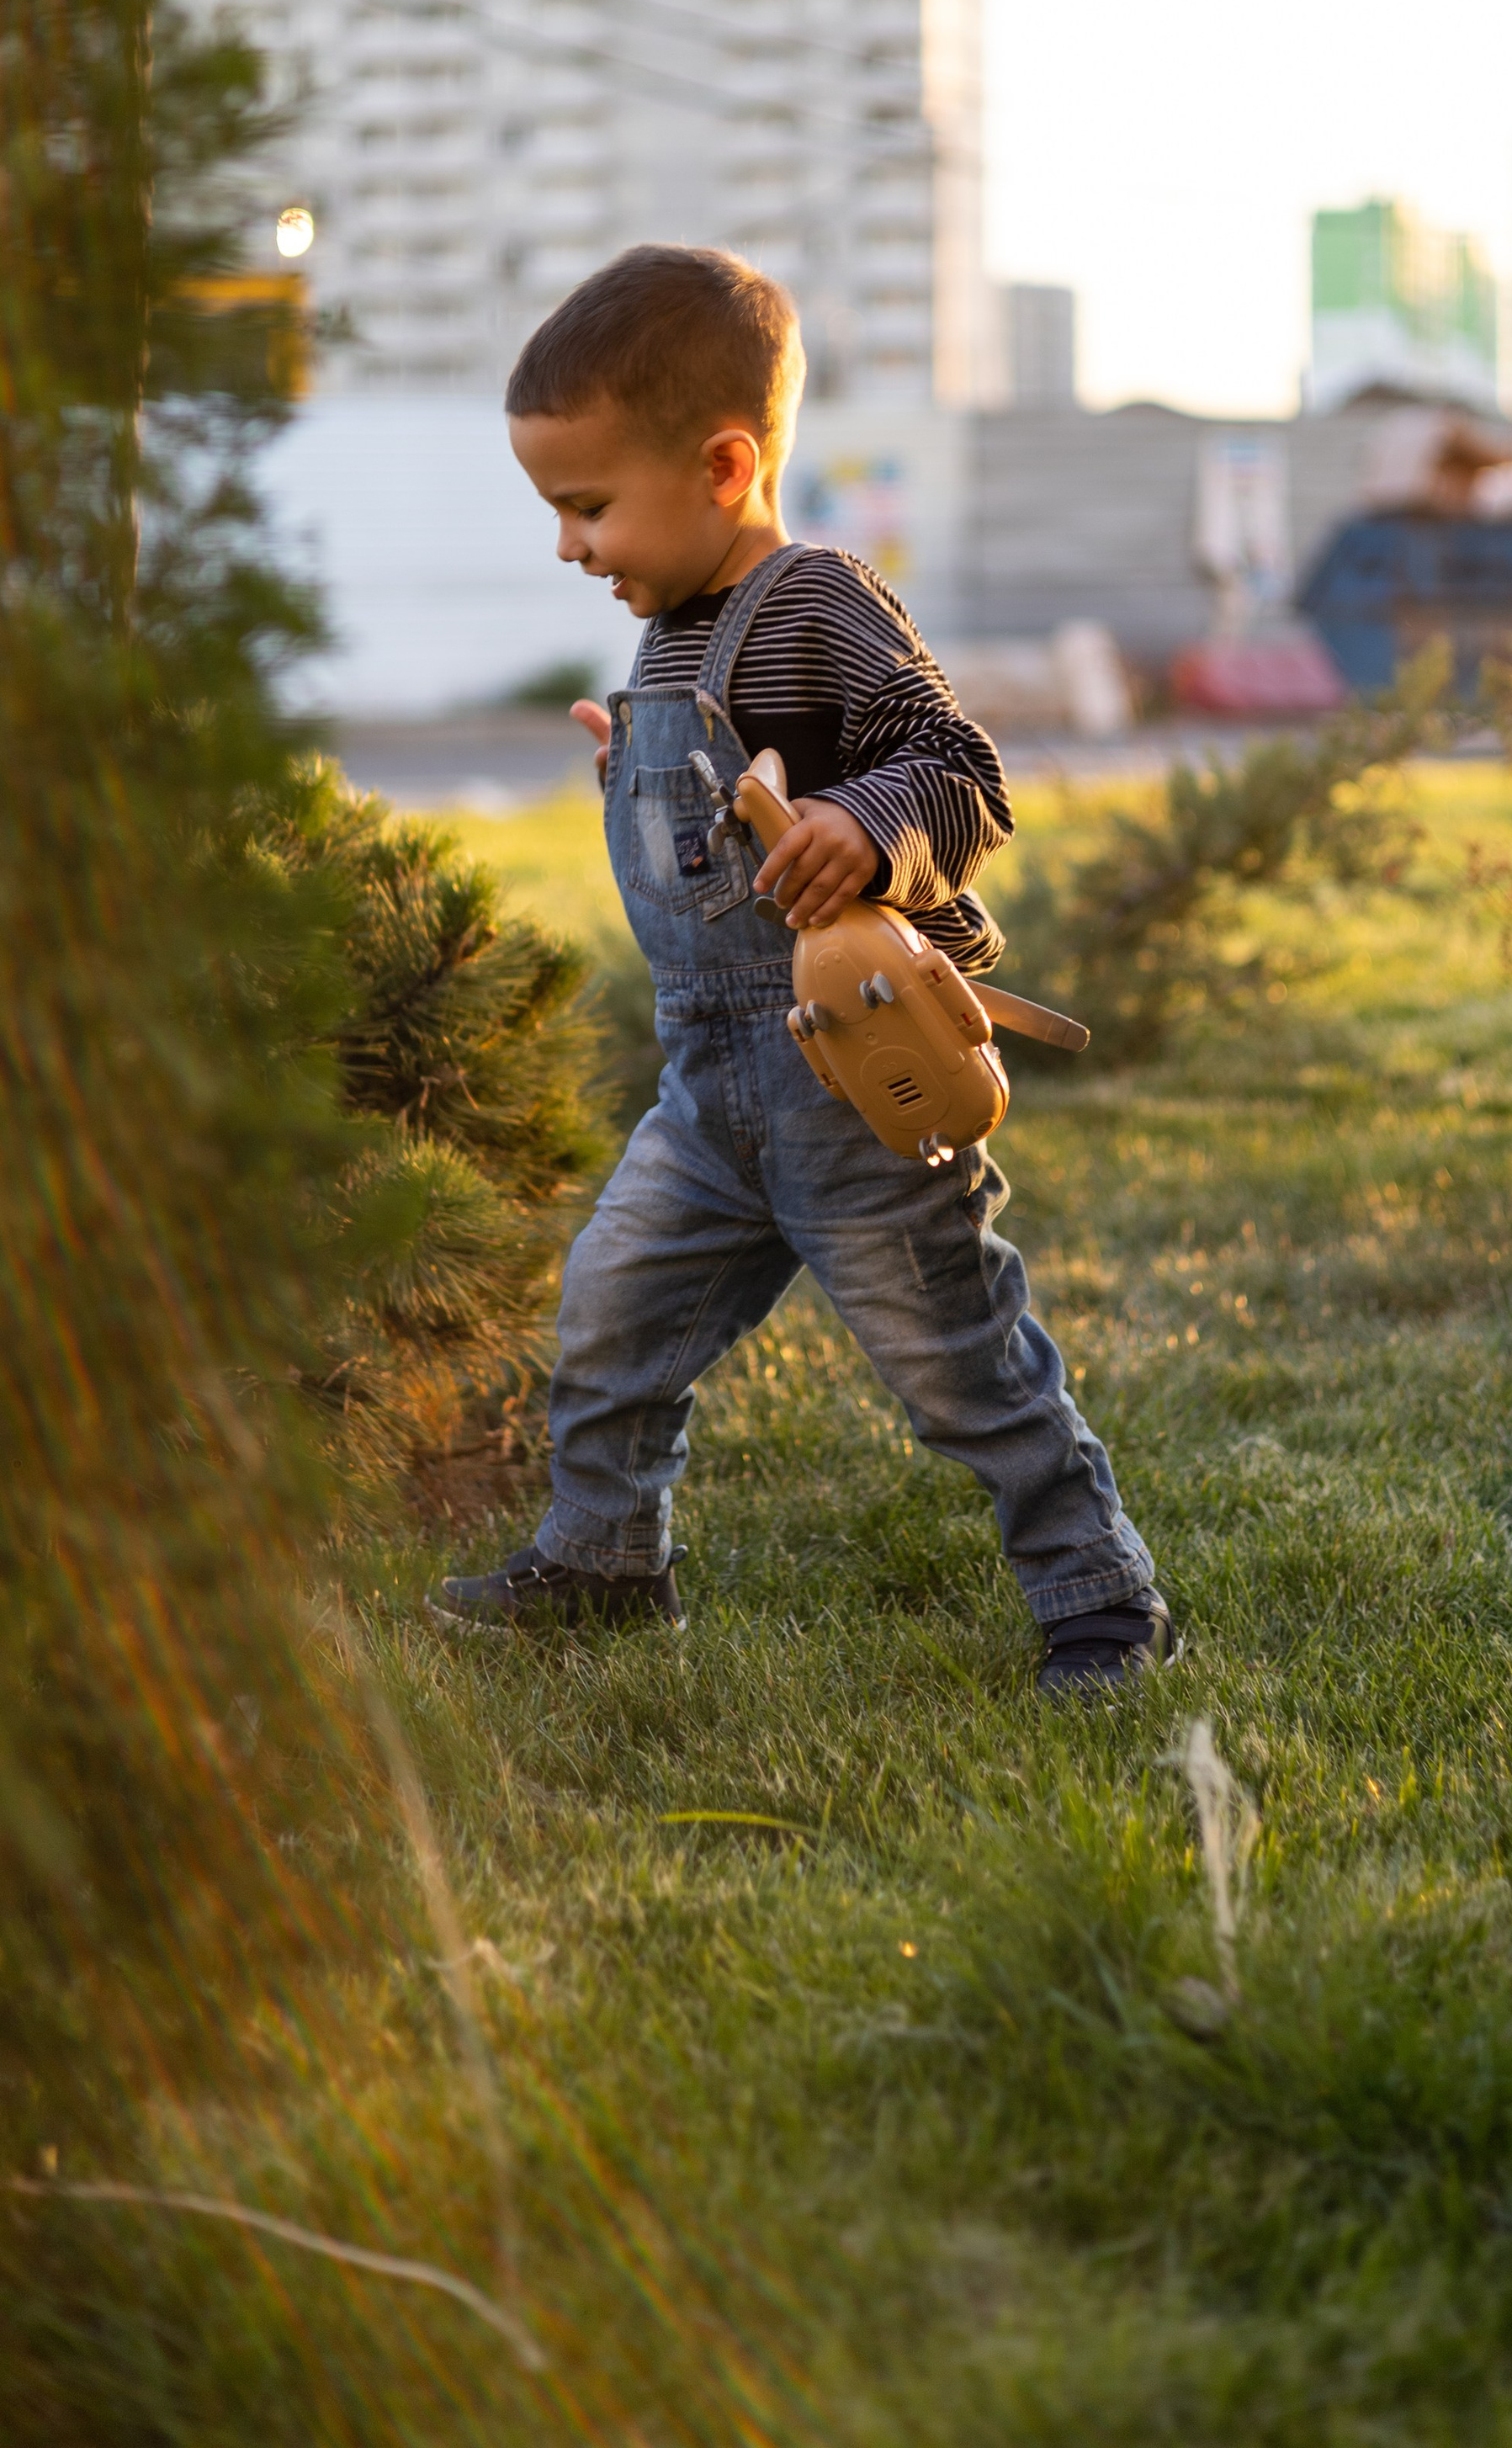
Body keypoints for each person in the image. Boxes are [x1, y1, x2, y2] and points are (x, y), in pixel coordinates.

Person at [440, 246, 1174, 1693]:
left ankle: (1095, 1586)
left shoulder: (819, 598)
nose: (572, 546)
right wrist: (637, 786)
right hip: (710, 1093)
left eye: (588, 506)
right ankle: (602, 1558)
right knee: (611, 1312)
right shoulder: (664, 641)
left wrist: (863, 822)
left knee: (956, 1355)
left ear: (723, 464)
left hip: (855, 1086)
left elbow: (965, 771)